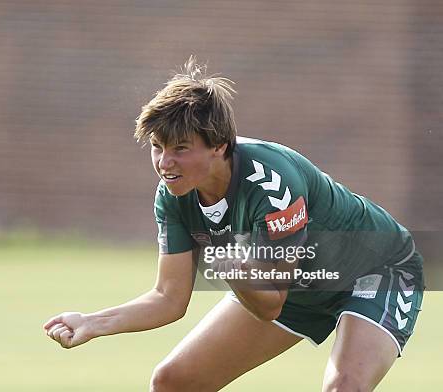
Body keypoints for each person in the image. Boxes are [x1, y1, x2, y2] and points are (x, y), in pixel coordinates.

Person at [43, 57, 424, 392]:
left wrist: (231, 268)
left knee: (344, 388)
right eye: (157, 147)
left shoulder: (272, 185)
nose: (164, 163)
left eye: (180, 149)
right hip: (295, 286)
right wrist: (93, 323)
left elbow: (270, 304)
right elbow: (168, 298)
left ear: (220, 146)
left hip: (376, 270)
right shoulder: (174, 194)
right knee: (173, 382)